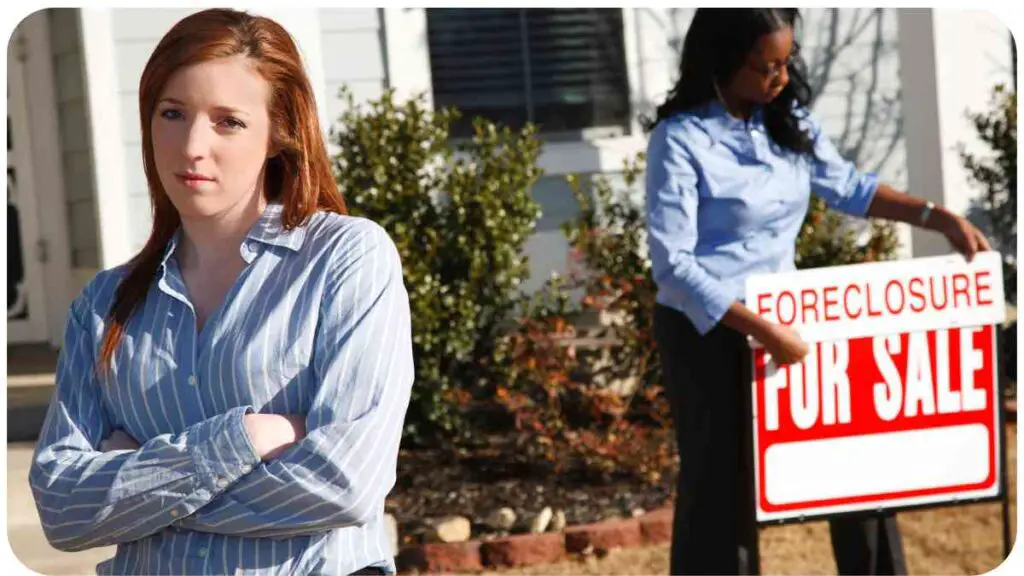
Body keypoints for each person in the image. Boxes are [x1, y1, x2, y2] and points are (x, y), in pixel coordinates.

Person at [29, 9, 413, 575]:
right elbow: (63, 508)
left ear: (279, 132)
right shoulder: (103, 304)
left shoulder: (346, 259)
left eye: (228, 121)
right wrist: (250, 437)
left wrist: (137, 480)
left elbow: (344, 484)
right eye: (172, 113)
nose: (191, 146)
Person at [644, 8, 991, 576]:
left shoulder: (789, 122)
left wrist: (937, 217)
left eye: (786, 62)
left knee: (851, 466)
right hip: (710, 333)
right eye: (765, 67)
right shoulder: (680, 140)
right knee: (720, 490)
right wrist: (761, 330)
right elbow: (673, 265)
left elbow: (850, 188)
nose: (779, 78)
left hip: (788, 323)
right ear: (723, 62)